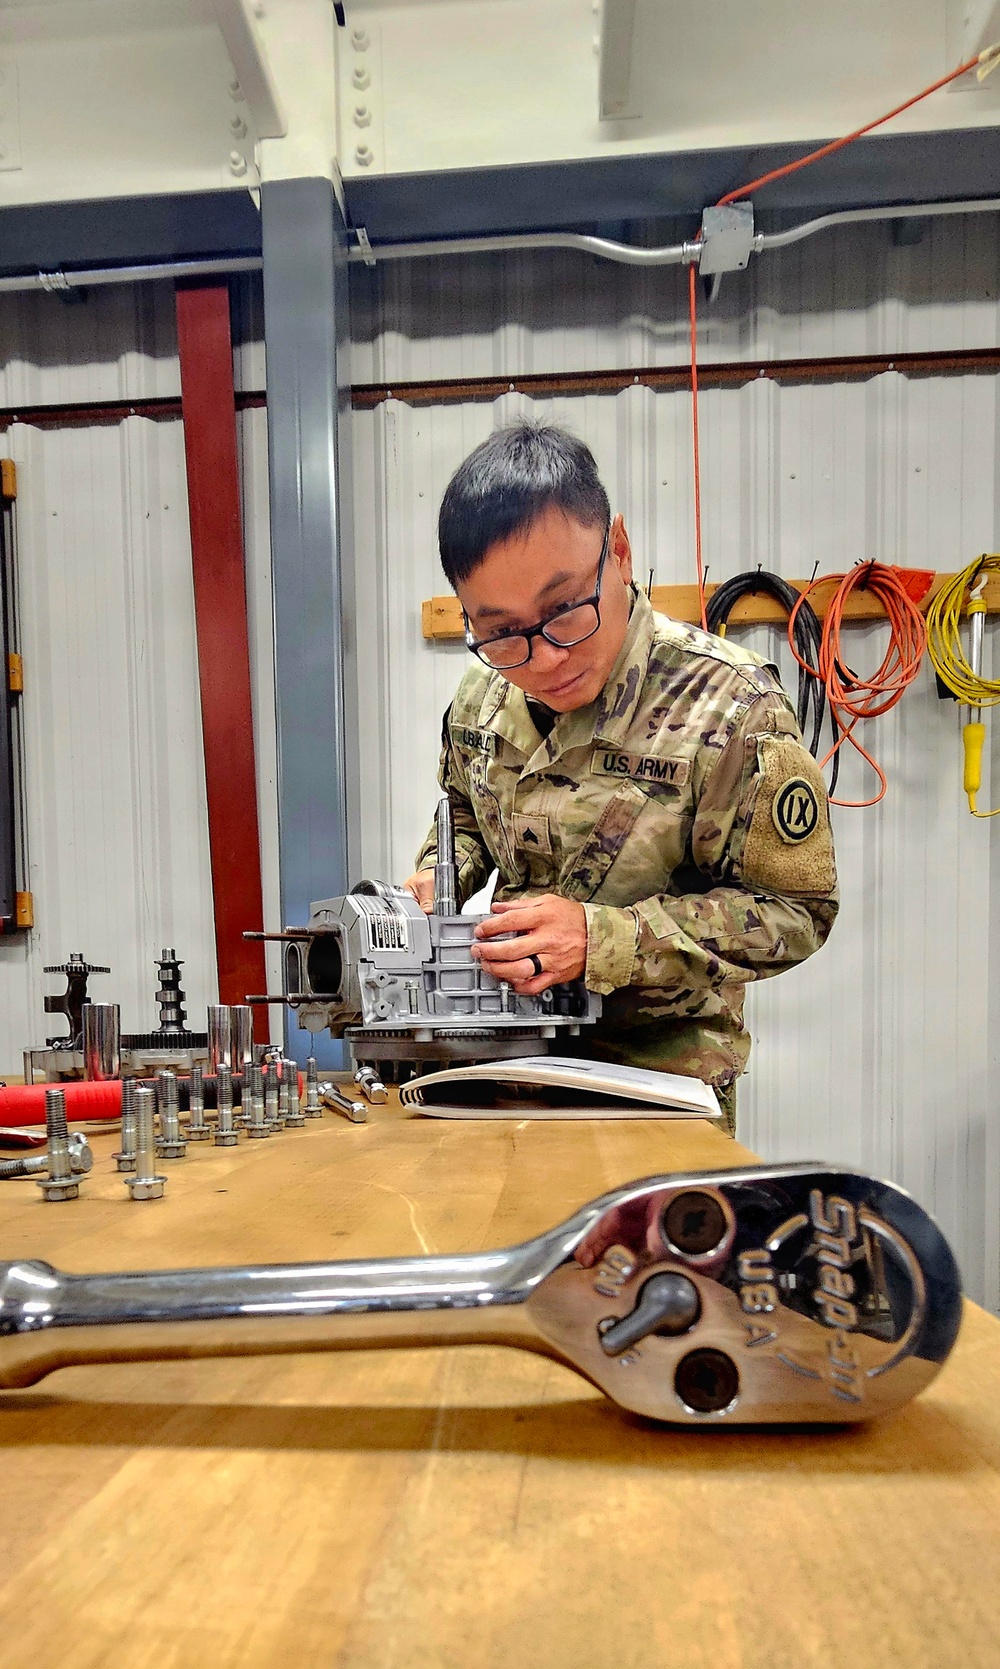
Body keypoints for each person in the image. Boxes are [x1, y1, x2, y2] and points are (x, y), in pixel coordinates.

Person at [403, 423, 838, 1133]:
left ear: (621, 552)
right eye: (503, 632)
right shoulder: (480, 701)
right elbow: (464, 808)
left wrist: (604, 938)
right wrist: (433, 878)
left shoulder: (731, 708)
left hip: (658, 1090)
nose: (542, 658)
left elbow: (798, 913)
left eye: (566, 608)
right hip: (502, 1070)